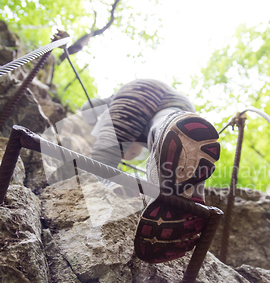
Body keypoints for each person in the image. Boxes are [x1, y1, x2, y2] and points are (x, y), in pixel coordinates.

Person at [81, 79, 220, 263]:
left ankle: (112, 186)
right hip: (181, 104)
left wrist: (90, 121)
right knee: (164, 127)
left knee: (102, 161)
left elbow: (87, 107)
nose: (128, 154)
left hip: (136, 91)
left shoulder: (114, 99)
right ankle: (193, 197)